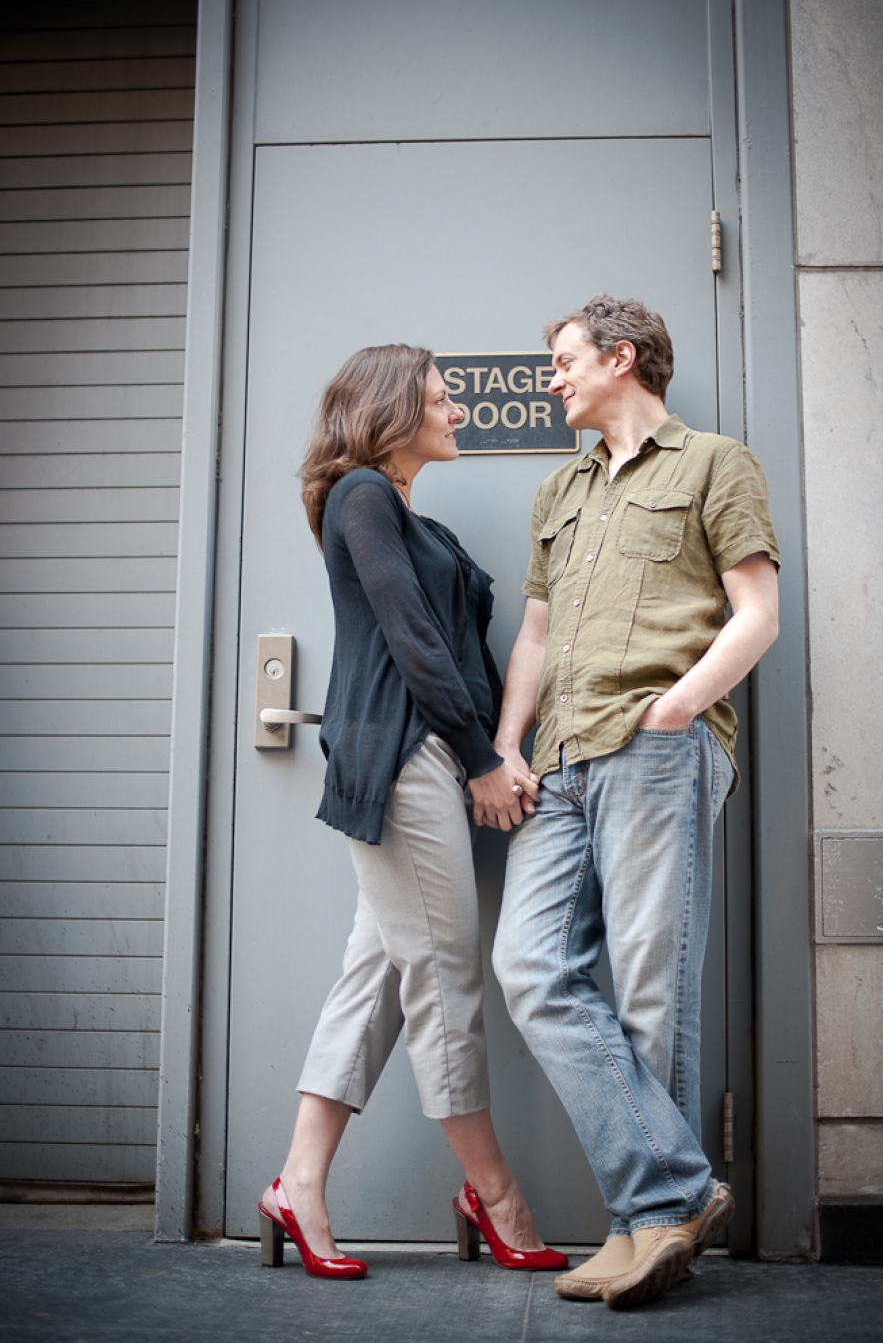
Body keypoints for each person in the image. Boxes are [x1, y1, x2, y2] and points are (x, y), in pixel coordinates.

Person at [486, 296, 780, 1310]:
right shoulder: (556, 491)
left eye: (564, 362)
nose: (552, 380)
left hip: (657, 749)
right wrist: (506, 741)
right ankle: (676, 1194)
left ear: (622, 358)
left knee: (653, 989)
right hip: (561, 762)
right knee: (530, 968)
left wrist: (680, 707)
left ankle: (643, 1230)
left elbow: (758, 615)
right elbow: (533, 633)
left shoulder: (714, 464)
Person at [257, 344, 567, 1280]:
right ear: (395, 407)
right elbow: (411, 637)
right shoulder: (362, 497)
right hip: (407, 759)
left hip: (422, 755)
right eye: (441, 398)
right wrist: (479, 758)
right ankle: (495, 1193)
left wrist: (494, 748)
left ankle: (297, 1185)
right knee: (443, 979)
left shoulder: (400, 511)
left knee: (380, 979)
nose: (458, 410)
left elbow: (446, 643)